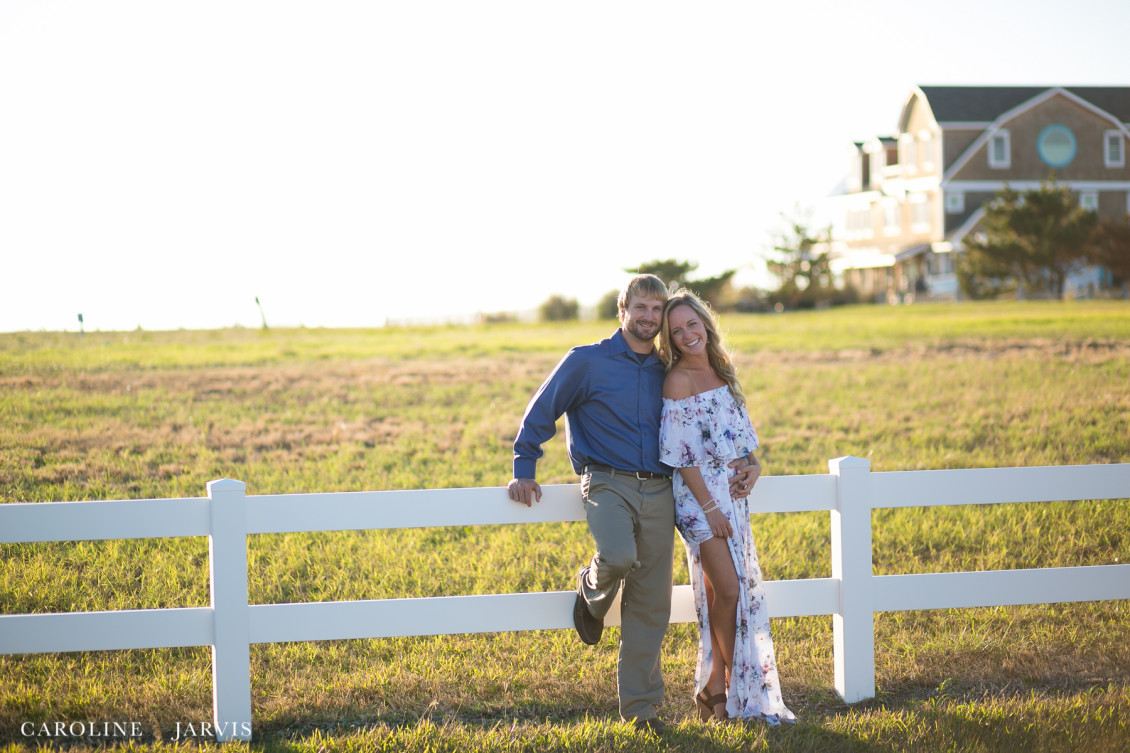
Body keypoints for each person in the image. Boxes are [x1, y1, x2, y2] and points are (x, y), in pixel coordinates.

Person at [508, 274, 757, 732]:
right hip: (606, 482)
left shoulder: (667, 369)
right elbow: (541, 411)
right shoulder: (587, 362)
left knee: (650, 604)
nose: (648, 317)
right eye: (639, 308)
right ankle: (591, 589)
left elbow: (706, 424)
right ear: (622, 310)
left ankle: (642, 711)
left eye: (655, 310)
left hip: (661, 489)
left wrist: (749, 462)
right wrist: (524, 469)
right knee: (619, 555)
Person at [657, 289, 795, 725]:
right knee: (731, 590)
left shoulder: (722, 371)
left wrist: (754, 470)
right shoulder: (678, 380)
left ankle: (715, 688)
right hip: (700, 503)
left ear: (705, 324)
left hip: (732, 500)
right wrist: (712, 507)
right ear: (671, 340)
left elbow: (746, 446)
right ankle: (736, 683)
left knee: (722, 593)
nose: (686, 335)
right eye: (676, 331)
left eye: (691, 325)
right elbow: (681, 456)